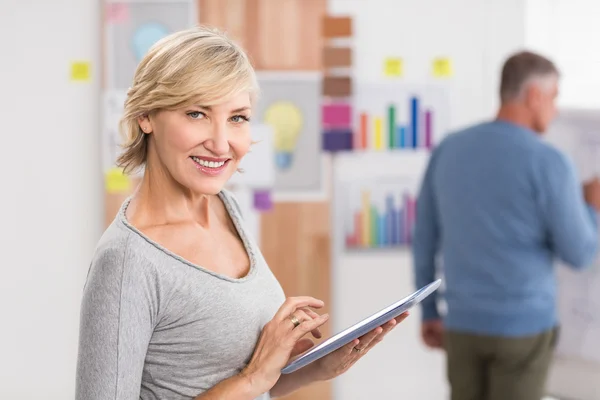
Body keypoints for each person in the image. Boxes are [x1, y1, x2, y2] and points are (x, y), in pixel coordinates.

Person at [75, 26, 408, 400]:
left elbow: (250, 384)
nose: (221, 144)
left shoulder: (223, 207)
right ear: (146, 116)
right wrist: (251, 377)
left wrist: (315, 368)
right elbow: (249, 382)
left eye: (237, 117)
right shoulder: (126, 263)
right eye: (197, 113)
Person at [412, 50, 600, 400]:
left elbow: (423, 237)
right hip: (523, 331)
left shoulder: (449, 150)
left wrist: (428, 311)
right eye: (554, 97)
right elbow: (579, 253)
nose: (556, 110)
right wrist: (593, 207)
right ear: (534, 95)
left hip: (462, 326)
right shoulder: (549, 162)